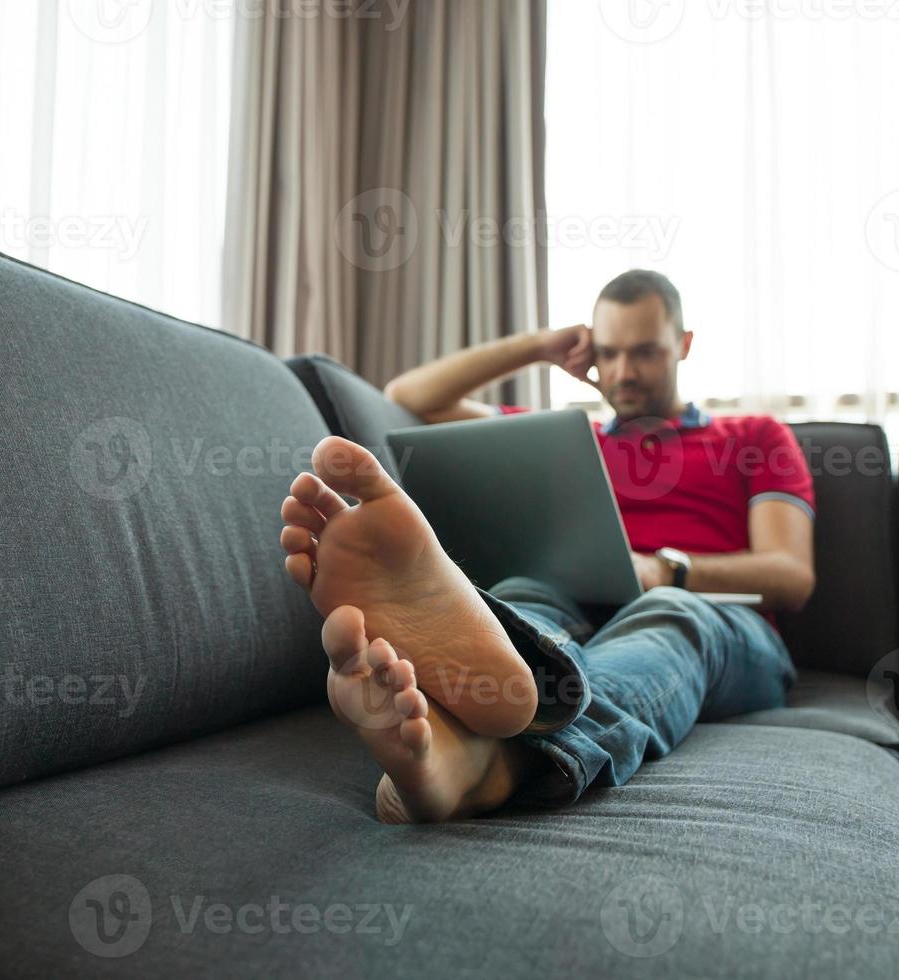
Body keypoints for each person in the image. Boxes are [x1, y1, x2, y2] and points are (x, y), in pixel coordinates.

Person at [278, 270, 816, 823]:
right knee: (527, 593)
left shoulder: (755, 436)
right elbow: (410, 396)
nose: (624, 372)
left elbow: (790, 574)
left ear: (684, 346)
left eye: (646, 353)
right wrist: (539, 346)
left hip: (723, 625)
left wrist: (667, 571)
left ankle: (497, 762)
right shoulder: (565, 440)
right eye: (608, 353)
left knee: (668, 613)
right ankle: (456, 743)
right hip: (582, 607)